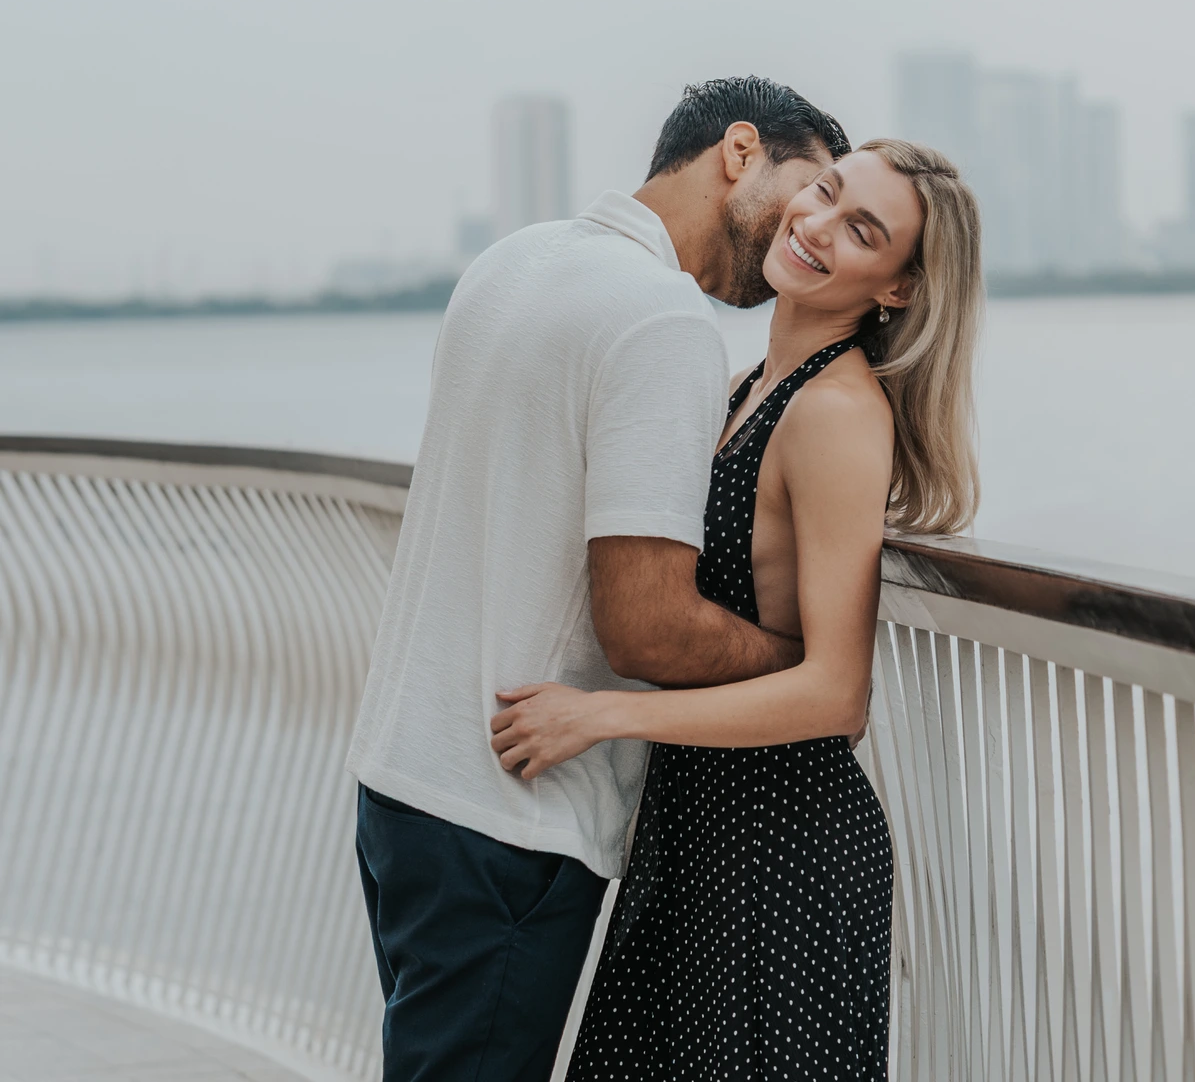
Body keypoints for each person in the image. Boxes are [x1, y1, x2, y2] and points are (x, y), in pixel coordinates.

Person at [346, 76, 850, 1082]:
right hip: (510, 812)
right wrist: (797, 659)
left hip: (402, 776)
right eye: (814, 187)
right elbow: (647, 628)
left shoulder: (512, 260)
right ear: (739, 152)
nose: (811, 226)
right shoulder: (662, 319)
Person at [488, 138, 983, 1079]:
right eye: (826, 194)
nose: (816, 225)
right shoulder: (743, 391)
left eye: (862, 229)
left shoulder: (836, 415)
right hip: (697, 837)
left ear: (900, 291)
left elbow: (837, 692)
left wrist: (600, 715)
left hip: (782, 863)